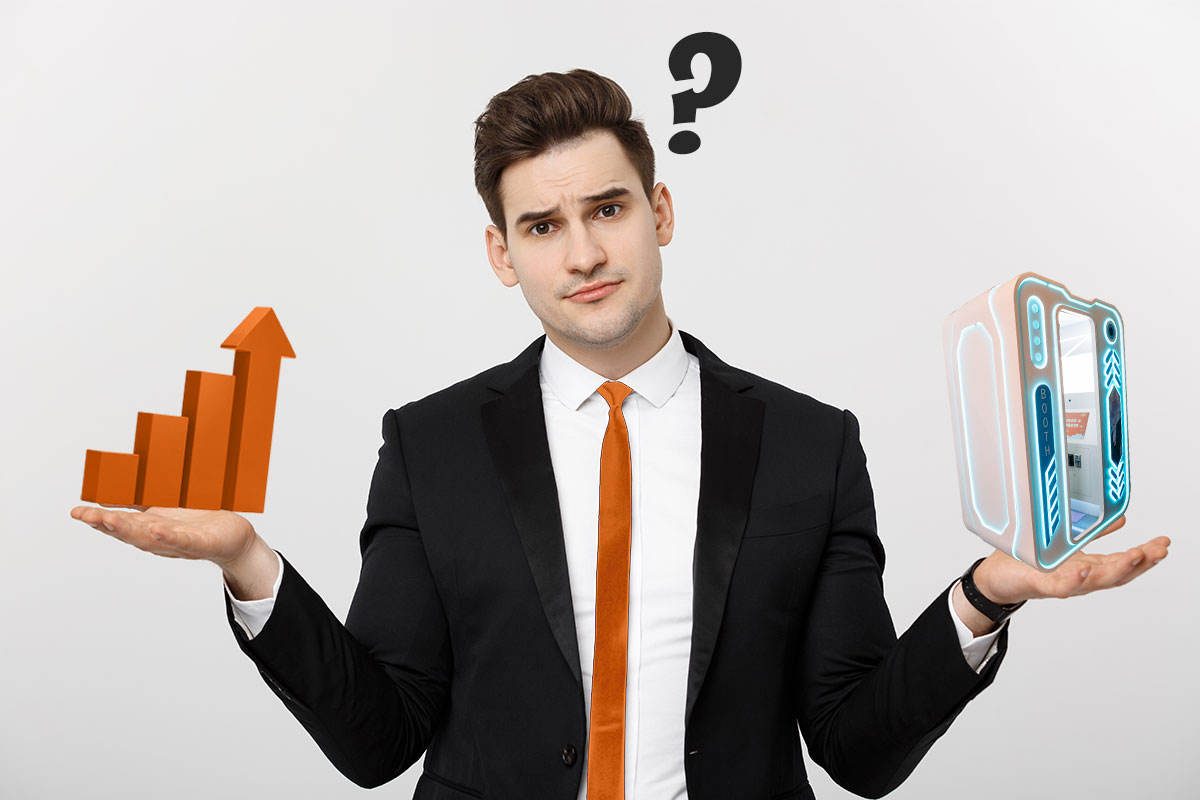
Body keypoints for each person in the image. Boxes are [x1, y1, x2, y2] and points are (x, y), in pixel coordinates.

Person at [71, 69, 1170, 800]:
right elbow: (378, 739)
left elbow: (858, 747)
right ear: (503, 254)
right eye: (542, 225)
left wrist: (984, 596)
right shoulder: (429, 446)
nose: (584, 252)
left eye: (607, 209)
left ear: (661, 212)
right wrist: (247, 562)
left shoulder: (810, 445)